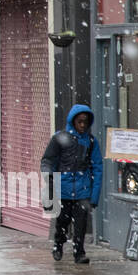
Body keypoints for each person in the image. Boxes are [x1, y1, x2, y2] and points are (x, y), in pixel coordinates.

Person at [41, 104, 103, 264]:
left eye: (85, 122)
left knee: (81, 224)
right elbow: (48, 161)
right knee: (63, 221)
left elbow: (97, 168)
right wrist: (49, 178)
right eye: (79, 121)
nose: (82, 125)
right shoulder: (59, 138)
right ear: (73, 121)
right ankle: (58, 243)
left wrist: (94, 196)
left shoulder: (90, 142)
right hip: (64, 189)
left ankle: (79, 252)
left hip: (83, 190)